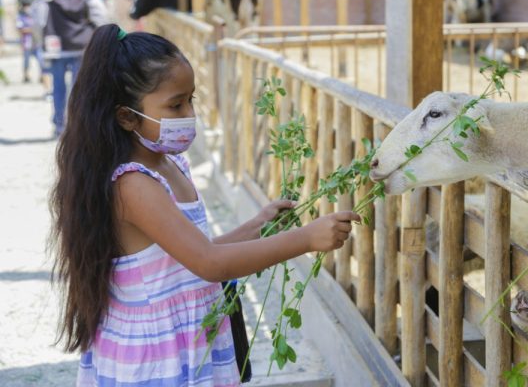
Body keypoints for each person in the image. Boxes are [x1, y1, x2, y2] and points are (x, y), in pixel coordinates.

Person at [49, 24, 360, 386]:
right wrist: (306, 240)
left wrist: (257, 227)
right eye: (175, 104)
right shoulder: (133, 184)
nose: (188, 114)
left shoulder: (171, 165)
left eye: (190, 100)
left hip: (190, 339)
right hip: (157, 355)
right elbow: (209, 264)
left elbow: (185, 257)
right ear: (127, 117)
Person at [33, 0, 108, 136]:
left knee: (58, 85)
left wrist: (38, 41)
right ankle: (77, 126)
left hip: (55, 45)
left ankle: (59, 125)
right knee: (79, 87)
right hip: (82, 45)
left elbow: (38, 20)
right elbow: (100, 15)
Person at [16, 0, 43, 83]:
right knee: (26, 61)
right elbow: (20, 29)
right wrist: (32, 29)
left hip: (36, 42)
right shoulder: (21, 17)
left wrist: (32, 29)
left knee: (40, 60)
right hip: (27, 43)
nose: (27, 7)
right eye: (25, 5)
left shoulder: (34, 16)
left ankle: (42, 76)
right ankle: (26, 76)